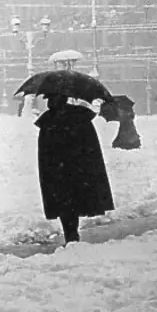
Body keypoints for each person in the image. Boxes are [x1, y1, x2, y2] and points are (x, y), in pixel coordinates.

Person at [36, 94, 114, 245]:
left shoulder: (49, 120)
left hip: (58, 170)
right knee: (73, 202)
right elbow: (90, 145)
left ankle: (70, 234)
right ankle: (72, 234)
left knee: (64, 203)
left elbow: (45, 151)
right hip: (78, 168)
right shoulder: (79, 117)